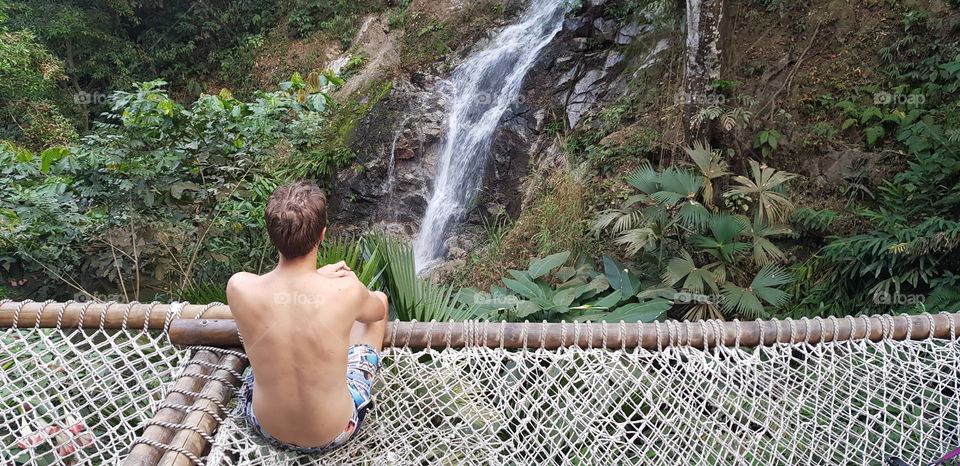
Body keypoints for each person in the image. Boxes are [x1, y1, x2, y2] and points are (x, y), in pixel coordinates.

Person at [226, 181, 389, 453]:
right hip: (335, 432)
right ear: (322, 235)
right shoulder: (346, 291)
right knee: (379, 304)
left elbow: (286, 298)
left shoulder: (239, 286)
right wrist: (336, 285)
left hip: (265, 426)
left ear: (271, 235)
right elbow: (376, 312)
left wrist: (316, 280)